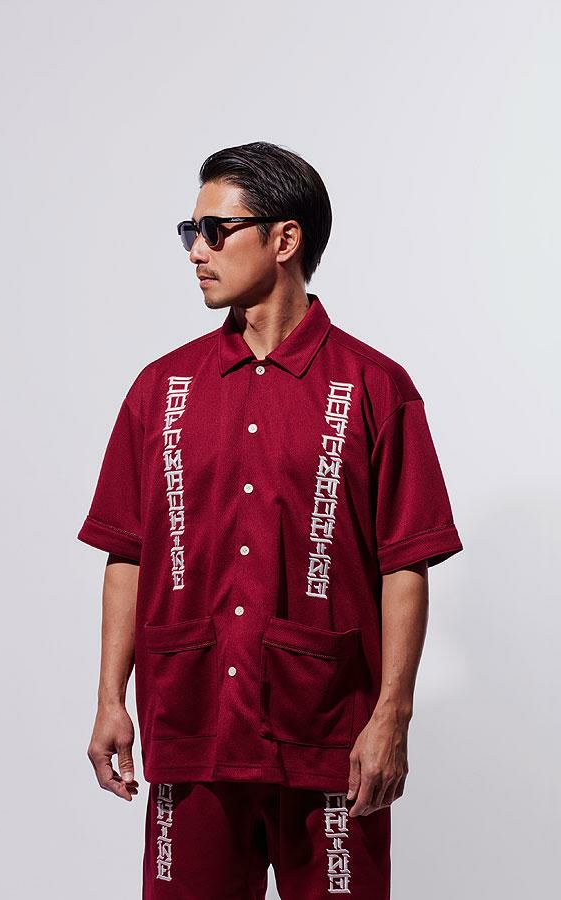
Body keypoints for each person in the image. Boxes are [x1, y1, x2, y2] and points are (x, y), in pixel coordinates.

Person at [77, 140, 463, 899]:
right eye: (189, 233)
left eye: (214, 231)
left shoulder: (375, 388)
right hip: (191, 728)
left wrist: (392, 715)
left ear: (285, 239)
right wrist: (109, 699)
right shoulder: (161, 389)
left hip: (330, 738)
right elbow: (127, 553)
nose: (196, 252)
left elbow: (404, 563)